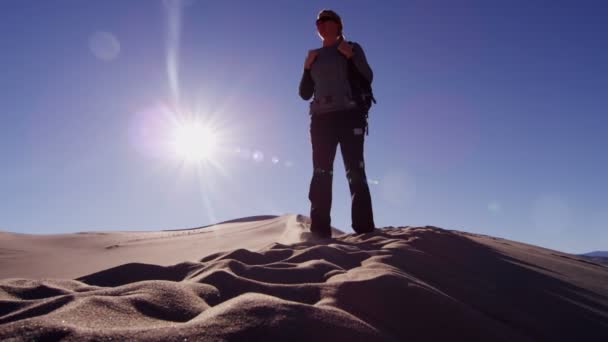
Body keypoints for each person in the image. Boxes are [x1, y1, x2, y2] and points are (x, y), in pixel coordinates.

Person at [299, 9, 375, 239]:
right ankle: (320, 231)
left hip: (349, 115)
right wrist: (306, 67)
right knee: (321, 173)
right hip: (321, 120)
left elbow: (368, 77)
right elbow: (304, 93)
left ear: (337, 24)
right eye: (317, 22)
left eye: (325, 20)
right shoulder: (315, 56)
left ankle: (365, 231)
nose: (320, 24)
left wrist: (350, 57)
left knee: (355, 170)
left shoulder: (352, 47)